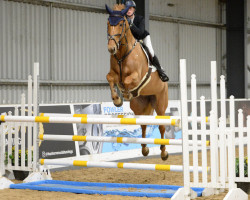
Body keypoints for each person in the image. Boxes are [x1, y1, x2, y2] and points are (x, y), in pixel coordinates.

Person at [125, 0, 169, 82]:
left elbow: (140, 32)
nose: (128, 10)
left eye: (130, 8)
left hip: (142, 37)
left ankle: (161, 72)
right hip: (131, 42)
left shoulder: (140, 19)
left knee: (151, 52)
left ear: (134, 10)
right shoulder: (123, 20)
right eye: (127, 9)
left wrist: (131, 24)